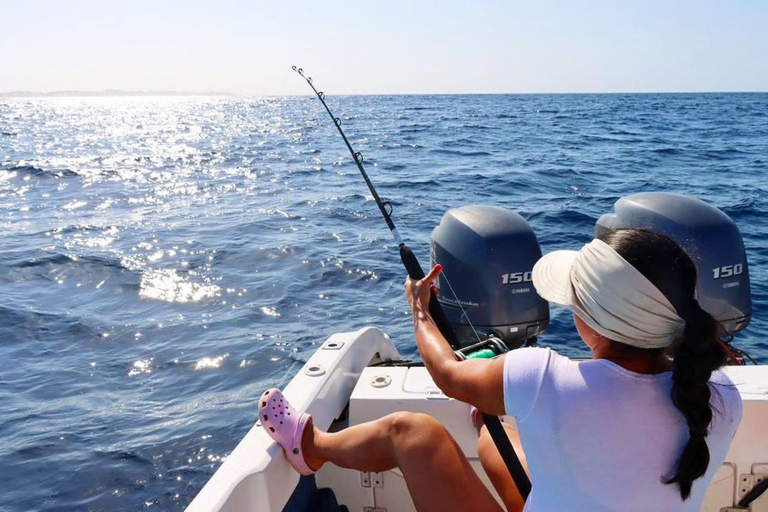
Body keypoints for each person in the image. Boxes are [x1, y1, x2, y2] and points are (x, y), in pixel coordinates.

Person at [258, 228, 742, 512]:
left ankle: (312, 448)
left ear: (587, 318)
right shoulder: (721, 397)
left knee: (411, 432)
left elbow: (447, 373)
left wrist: (420, 309)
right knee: (493, 433)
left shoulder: (544, 380)